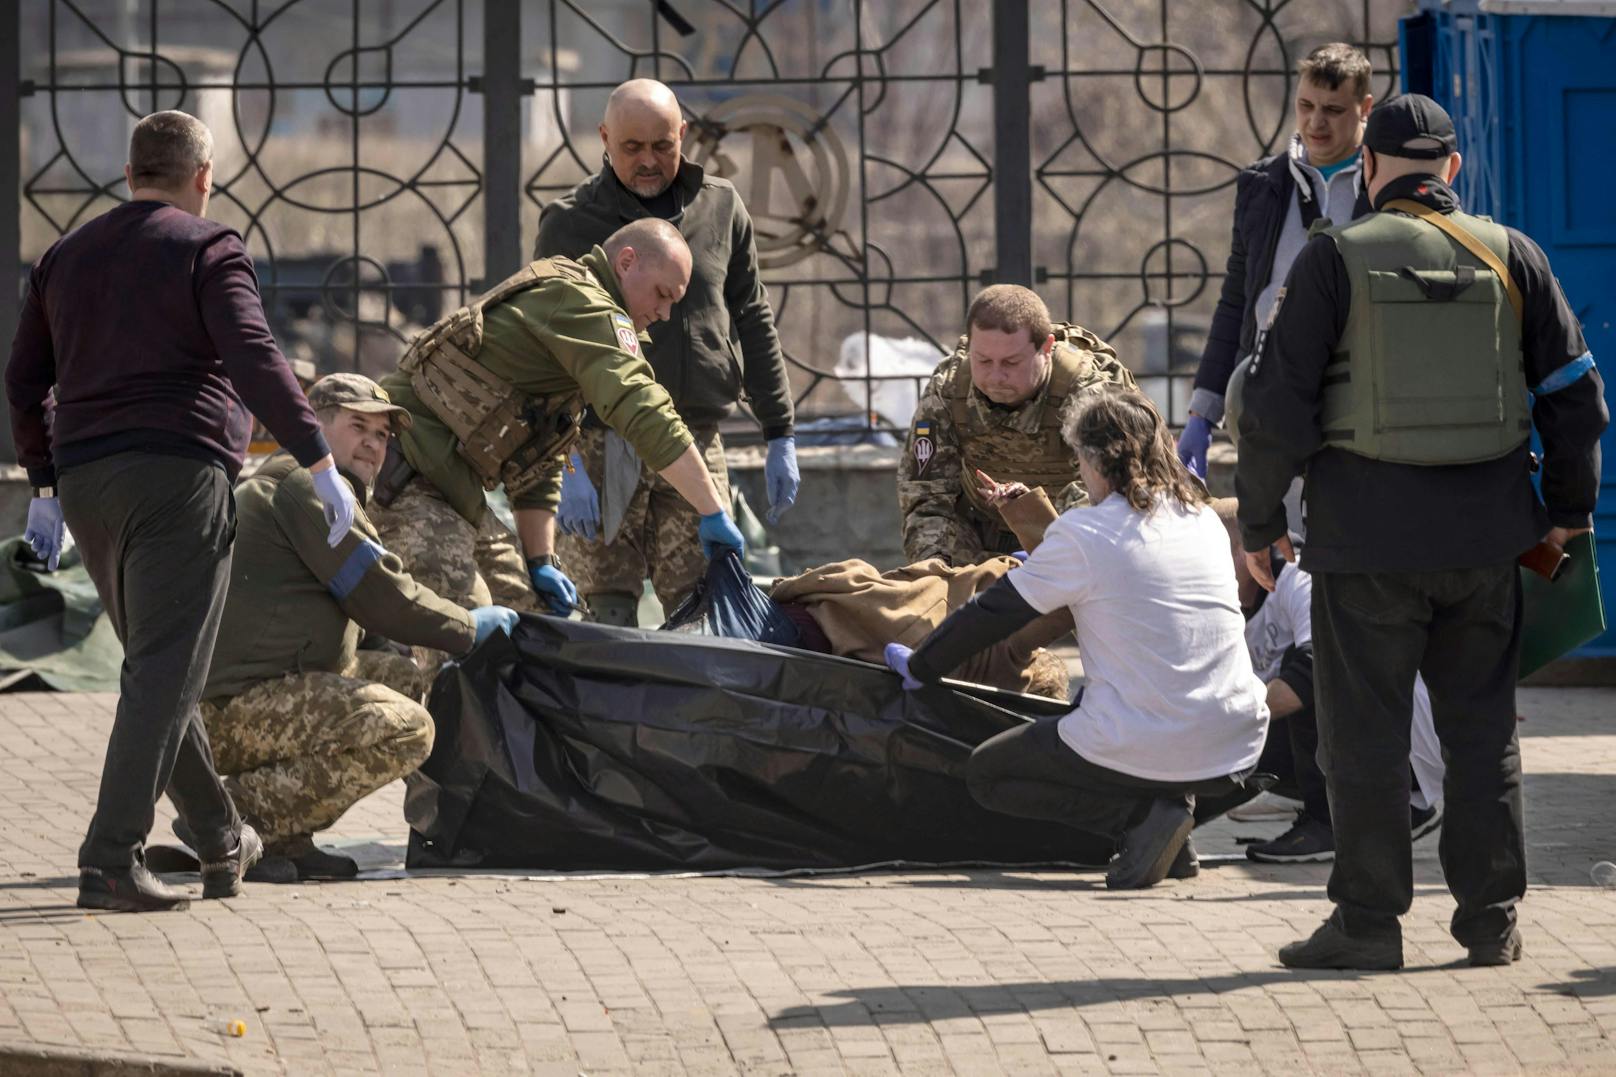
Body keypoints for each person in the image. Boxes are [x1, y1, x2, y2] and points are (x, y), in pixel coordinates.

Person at [1236, 95, 1607, 969]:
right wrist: (1564, 512)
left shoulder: (1333, 258)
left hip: (1364, 546)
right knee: (1483, 735)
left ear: (1368, 170)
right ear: (1452, 170)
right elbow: (1578, 401)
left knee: (1362, 737)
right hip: (1487, 543)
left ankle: (1368, 925)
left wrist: (1260, 520)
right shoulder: (1514, 254)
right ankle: (1490, 921)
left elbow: (1277, 408)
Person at [5, 110, 359, 912]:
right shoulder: (208, 246)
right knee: (163, 671)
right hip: (179, 476)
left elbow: (24, 379)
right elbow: (252, 352)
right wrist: (317, 455)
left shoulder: (63, 256)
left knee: (162, 669)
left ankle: (220, 836)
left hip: (90, 483)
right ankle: (108, 858)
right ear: (204, 176)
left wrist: (46, 482)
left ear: (129, 175)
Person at [887, 386, 1270, 889]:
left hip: (1151, 741)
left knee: (989, 773)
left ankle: (1139, 824)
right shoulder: (1202, 522)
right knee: (1116, 725)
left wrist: (921, 666)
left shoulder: (1085, 532)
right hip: (1237, 745)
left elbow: (992, 615)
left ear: (1093, 460)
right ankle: (1172, 830)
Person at [371, 217, 744, 660]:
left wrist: (541, 562)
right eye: (663, 294)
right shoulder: (582, 303)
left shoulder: (576, 316)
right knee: (469, 643)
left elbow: (538, 458)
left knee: (538, 628)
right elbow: (643, 408)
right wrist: (711, 508)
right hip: (406, 478)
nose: (664, 314)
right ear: (626, 263)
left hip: (453, 492)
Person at [199, 374, 521, 882]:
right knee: (410, 730)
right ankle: (226, 816)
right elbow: (381, 596)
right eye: (359, 427)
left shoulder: (319, 488)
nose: (374, 443)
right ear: (315, 425)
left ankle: (286, 834)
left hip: (263, 687)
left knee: (405, 679)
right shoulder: (305, 487)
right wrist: (467, 626)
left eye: (383, 435)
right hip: (230, 708)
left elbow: (359, 606)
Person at [536, 79, 798, 626]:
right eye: (632, 148)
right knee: (605, 612)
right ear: (605, 139)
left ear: (684, 135)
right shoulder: (568, 222)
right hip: (601, 441)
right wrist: (568, 462)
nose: (650, 161)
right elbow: (545, 348)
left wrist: (780, 432)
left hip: (693, 440)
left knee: (705, 609)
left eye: (663, 145)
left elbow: (751, 314)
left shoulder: (721, 207)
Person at [1178, 43, 1374, 480]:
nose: (1315, 122)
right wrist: (1202, 412)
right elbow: (1236, 302)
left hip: (1360, 397)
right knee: (1275, 539)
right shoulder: (1262, 186)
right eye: (1306, 105)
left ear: (1364, 108)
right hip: (1269, 397)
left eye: (1333, 109)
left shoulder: (1381, 185)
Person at [1212, 499, 1444, 862]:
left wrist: (1222, 727)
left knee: (1308, 671)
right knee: (1234, 741)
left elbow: (1314, 664)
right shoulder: (1226, 604)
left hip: (1405, 752)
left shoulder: (1299, 573)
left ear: (1245, 551)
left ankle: (1331, 820)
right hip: (1366, 745)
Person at [898, 285, 1135, 566]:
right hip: (982, 531)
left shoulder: (1089, 392)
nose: (995, 376)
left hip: (1071, 530)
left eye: (1011, 362)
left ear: (1046, 348)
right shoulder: (949, 389)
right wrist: (935, 572)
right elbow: (926, 495)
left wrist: (1047, 544)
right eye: (983, 360)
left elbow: (1112, 496)